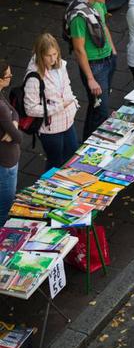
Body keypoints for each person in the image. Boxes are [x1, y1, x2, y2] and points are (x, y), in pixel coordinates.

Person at [64, 0, 117, 140]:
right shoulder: (79, 17)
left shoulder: (98, 3)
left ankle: (87, 141)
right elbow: (79, 49)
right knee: (101, 110)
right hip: (95, 66)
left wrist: (113, 50)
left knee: (98, 107)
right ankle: (90, 143)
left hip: (108, 58)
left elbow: (103, 25)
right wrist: (90, 78)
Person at [24, 34, 79, 171]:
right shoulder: (34, 78)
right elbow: (30, 109)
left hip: (67, 121)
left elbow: (67, 87)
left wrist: (74, 104)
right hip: (51, 128)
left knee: (72, 156)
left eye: (55, 54)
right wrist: (58, 107)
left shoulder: (60, 65)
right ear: (40, 55)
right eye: (49, 56)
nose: (53, 59)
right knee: (55, 162)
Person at [0, 60, 21, 227]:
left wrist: (12, 124)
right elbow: (18, 138)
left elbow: (14, 112)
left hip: (7, 160)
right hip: (6, 162)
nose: (10, 78)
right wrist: (13, 129)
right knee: (4, 207)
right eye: (8, 75)